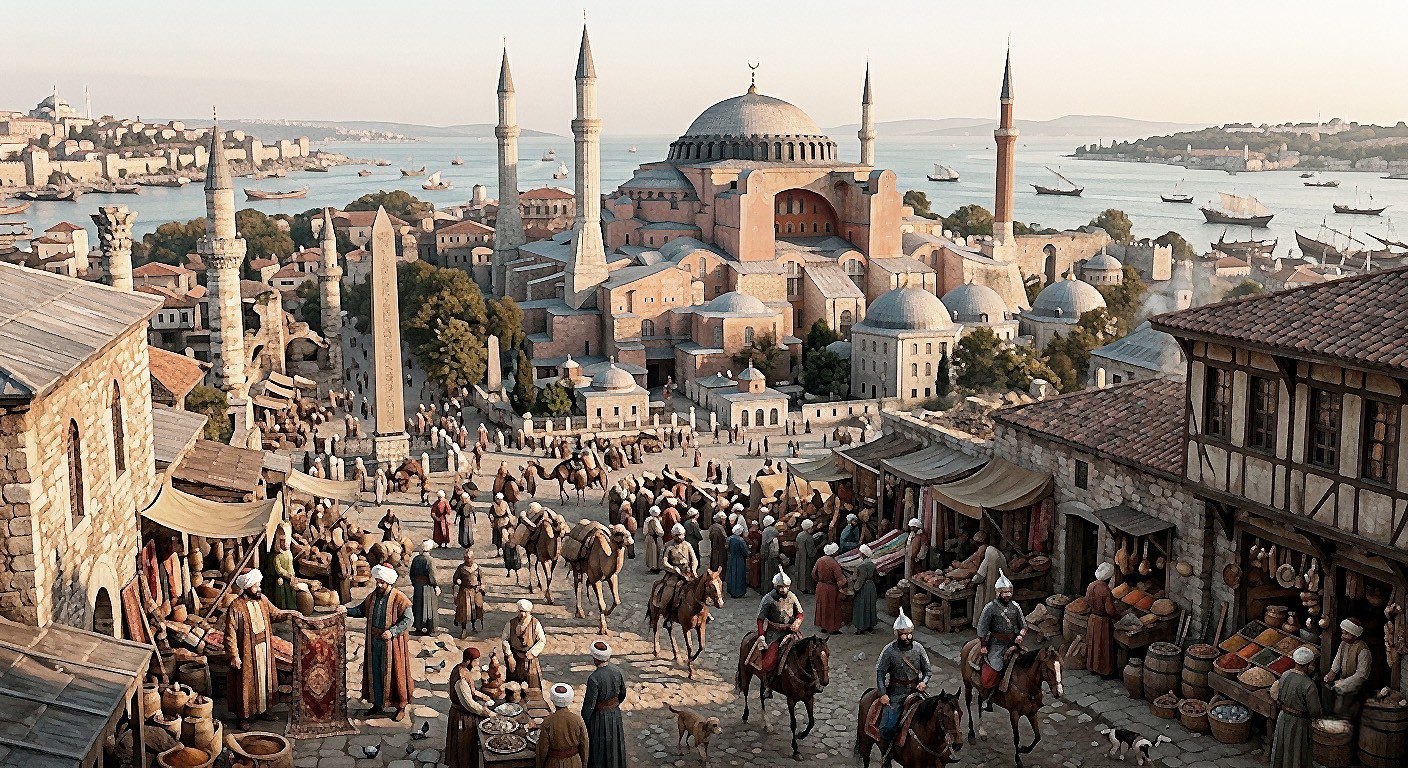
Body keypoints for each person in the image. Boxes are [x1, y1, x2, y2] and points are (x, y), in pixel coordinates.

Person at [223, 569, 292, 729]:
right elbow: (230, 634)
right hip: (247, 652)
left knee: (264, 681)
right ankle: (243, 717)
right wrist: (234, 655)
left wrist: (290, 614)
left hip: (264, 649)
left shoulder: (263, 600)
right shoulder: (236, 606)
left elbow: (275, 614)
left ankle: (264, 710)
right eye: (255, 585)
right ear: (247, 587)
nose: (259, 588)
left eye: (258, 584)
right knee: (245, 685)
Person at [346, 564, 414, 720]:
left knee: (396, 674)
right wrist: (346, 611)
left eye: (382, 582)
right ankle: (377, 704)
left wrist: (392, 631)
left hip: (393, 644)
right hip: (375, 643)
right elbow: (360, 610)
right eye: (377, 581)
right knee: (376, 672)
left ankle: (401, 706)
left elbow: (408, 620)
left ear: (388, 582)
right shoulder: (372, 597)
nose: (379, 585)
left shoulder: (400, 599)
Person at [875, 609, 932, 747]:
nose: (907, 637)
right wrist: (883, 693)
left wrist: (924, 682)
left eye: (909, 634)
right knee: (888, 726)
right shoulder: (889, 651)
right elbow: (880, 672)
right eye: (904, 635)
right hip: (897, 693)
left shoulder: (918, 648)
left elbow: (927, 671)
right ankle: (887, 751)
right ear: (897, 634)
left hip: (916, 691)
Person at [975, 571, 1026, 708]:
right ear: (998, 593)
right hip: (996, 644)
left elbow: (1023, 626)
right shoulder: (990, 608)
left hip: (1013, 642)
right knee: (995, 668)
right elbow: (982, 628)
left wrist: (1021, 635)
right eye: (1004, 593)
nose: (1007, 595)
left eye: (1009, 592)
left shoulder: (1015, 607)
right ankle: (989, 696)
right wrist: (983, 645)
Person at [752, 568, 804, 699]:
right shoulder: (768, 599)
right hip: (774, 634)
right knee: (769, 662)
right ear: (776, 586)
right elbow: (760, 619)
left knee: (805, 655)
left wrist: (797, 622)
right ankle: (768, 684)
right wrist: (761, 635)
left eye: (786, 587)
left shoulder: (792, 596)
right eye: (781, 587)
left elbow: (800, 613)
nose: (784, 590)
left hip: (791, 632)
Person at [1270, 646, 1322, 768]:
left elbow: (1277, 694)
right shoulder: (1309, 684)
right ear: (1309, 665)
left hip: (1283, 717)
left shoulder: (1285, 674)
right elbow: (1315, 711)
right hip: (1299, 723)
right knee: (1296, 751)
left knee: (1281, 747)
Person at [581, 640, 627, 768]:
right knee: (615, 747)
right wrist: (613, 706)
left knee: (599, 750)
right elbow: (622, 694)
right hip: (615, 715)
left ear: (596, 659)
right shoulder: (617, 672)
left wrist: (585, 723)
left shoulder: (594, 678)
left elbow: (589, 706)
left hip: (599, 718)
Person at [446, 647, 493, 768]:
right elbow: (469, 703)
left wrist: (484, 696)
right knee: (464, 747)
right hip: (461, 716)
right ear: (468, 661)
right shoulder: (461, 678)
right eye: (475, 661)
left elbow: (471, 691)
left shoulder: (462, 669)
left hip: (462, 713)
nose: (477, 664)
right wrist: (486, 712)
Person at [1324, 618, 1373, 716]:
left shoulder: (1363, 650)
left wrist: (1344, 683)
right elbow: (1338, 659)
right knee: (1338, 709)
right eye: (1343, 633)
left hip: (1356, 687)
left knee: (1350, 711)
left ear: (1354, 634)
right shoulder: (1343, 644)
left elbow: (1361, 675)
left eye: (1346, 633)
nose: (1343, 636)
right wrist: (1332, 672)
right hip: (1342, 683)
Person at [536, 683, 589, 768]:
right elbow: (584, 744)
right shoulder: (577, 720)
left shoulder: (548, 722)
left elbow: (542, 750)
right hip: (574, 762)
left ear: (553, 699)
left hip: (554, 763)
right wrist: (583, 763)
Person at [652, 523, 700, 615]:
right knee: (670, 588)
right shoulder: (667, 546)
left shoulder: (688, 545)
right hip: (673, 574)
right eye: (677, 535)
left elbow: (694, 559)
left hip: (687, 572)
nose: (679, 537)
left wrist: (694, 569)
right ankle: (664, 609)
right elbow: (664, 561)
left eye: (681, 535)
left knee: (699, 588)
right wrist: (673, 568)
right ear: (673, 535)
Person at [502, 598, 547, 689]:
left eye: (525, 612)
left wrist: (532, 653)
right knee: (513, 686)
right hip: (515, 658)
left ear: (529, 612)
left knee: (532, 685)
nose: (523, 614)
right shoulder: (511, 623)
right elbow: (505, 640)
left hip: (529, 659)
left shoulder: (535, 624)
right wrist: (509, 655)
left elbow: (542, 640)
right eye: (521, 611)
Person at [1084, 562, 1118, 677]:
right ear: (1108, 578)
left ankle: (1092, 667)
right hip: (1102, 621)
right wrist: (1119, 617)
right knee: (1103, 646)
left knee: (1092, 643)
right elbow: (1110, 611)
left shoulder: (1091, 585)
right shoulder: (1105, 590)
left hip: (1092, 618)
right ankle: (1103, 671)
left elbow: (1087, 600)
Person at [970, 535, 1009, 619]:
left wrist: (971, 580)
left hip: (988, 588)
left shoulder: (988, 557)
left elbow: (978, 578)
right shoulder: (999, 555)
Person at [812, 542, 847, 634]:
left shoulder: (819, 560)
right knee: (832, 607)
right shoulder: (834, 563)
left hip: (820, 587)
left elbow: (813, 574)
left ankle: (823, 626)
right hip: (831, 588)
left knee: (822, 607)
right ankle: (833, 628)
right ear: (833, 553)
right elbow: (840, 580)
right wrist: (844, 585)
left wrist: (819, 581)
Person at [409, 539, 440, 635]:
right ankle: (431, 629)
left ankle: (418, 628)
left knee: (418, 607)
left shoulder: (416, 559)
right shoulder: (430, 560)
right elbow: (432, 575)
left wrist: (415, 583)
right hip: (427, 587)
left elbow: (411, 573)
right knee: (429, 607)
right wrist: (435, 585)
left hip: (418, 587)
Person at [452, 550, 484, 637]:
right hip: (465, 591)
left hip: (475, 590)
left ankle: (474, 626)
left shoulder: (477, 568)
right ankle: (464, 629)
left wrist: (481, 586)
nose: (468, 560)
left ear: (473, 558)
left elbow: (481, 579)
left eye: (470, 558)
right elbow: (455, 578)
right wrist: (457, 581)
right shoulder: (461, 568)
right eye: (466, 558)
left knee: (476, 609)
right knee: (464, 611)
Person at [265, 527, 298, 611]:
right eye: (282, 541)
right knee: (282, 587)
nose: (284, 543)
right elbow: (279, 570)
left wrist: (292, 575)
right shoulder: (276, 556)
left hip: (291, 577)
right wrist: (288, 575)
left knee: (292, 592)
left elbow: (290, 566)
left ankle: (292, 607)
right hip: (282, 578)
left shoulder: (289, 553)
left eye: (286, 540)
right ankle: (283, 608)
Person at [851, 544, 879, 633]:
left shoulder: (862, 566)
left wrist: (855, 589)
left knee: (861, 606)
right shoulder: (872, 564)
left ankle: (861, 627)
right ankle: (870, 626)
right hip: (871, 587)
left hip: (864, 588)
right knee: (871, 606)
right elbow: (877, 579)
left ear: (863, 554)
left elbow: (861, 580)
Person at [793, 519, 821, 595]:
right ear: (808, 528)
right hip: (806, 559)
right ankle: (808, 589)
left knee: (800, 573)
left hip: (799, 556)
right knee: (807, 574)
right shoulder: (808, 537)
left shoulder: (799, 535)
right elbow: (811, 552)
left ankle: (801, 587)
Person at [725, 524, 750, 599]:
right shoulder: (741, 540)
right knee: (739, 576)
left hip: (731, 559)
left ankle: (732, 591)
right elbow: (745, 551)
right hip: (739, 560)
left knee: (732, 575)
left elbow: (726, 547)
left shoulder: (729, 539)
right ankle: (739, 592)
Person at [760, 515, 781, 592]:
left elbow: (764, 544)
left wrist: (762, 553)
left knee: (767, 572)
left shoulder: (766, 531)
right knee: (774, 571)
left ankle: (767, 589)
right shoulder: (775, 530)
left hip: (768, 554)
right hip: (774, 554)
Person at [643, 507, 665, 573]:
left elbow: (644, 531)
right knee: (656, 553)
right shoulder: (655, 521)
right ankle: (656, 567)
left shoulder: (647, 519)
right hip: (655, 539)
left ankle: (652, 567)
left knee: (651, 554)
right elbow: (660, 532)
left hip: (649, 538)